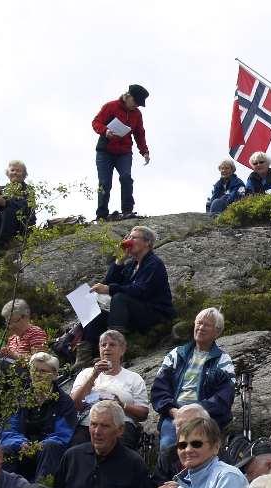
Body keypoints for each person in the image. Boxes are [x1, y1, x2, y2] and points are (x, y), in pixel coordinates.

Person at [80, 224, 176, 365]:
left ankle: (116, 352)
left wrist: (109, 289)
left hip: (155, 313)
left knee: (119, 298)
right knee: (88, 303)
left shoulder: (154, 263)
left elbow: (140, 291)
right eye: (128, 237)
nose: (129, 240)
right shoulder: (131, 265)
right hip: (130, 314)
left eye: (133, 237)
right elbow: (110, 282)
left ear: (147, 242)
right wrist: (120, 260)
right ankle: (84, 354)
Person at [151, 307, 235, 448]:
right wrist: (174, 411)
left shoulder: (223, 360)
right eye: (199, 323)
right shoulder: (176, 354)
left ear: (217, 332)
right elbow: (159, 388)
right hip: (174, 415)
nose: (201, 327)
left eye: (207, 325)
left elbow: (224, 398)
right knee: (168, 447)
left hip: (205, 418)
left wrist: (196, 412)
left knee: (198, 448)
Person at [0, 353, 76, 483]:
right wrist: (20, 443)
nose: (38, 374)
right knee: (5, 449)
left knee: (50, 447)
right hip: (23, 447)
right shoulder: (20, 398)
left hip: (48, 449)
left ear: (55, 375)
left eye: (43, 371)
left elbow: (63, 434)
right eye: (34, 370)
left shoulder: (64, 402)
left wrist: (39, 446)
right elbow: (9, 429)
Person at [70, 330, 149, 449]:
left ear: (122, 350)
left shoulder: (134, 378)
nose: (107, 348)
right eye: (103, 345)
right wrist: (94, 375)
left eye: (112, 344)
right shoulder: (86, 373)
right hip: (89, 423)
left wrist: (122, 405)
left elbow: (143, 413)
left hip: (120, 424)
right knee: (76, 451)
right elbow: (74, 404)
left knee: (120, 452)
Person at [91, 84, 150, 222]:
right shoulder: (110, 106)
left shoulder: (137, 114)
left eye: (139, 105)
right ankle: (101, 215)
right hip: (105, 151)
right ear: (128, 96)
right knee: (104, 183)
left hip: (124, 152)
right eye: (135, 102)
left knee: (126, 177)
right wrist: (105, 131)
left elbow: (139, 134)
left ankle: (127, 211)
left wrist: (144, 151)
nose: (136, 106)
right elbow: (96, 122)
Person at [0, 160, 36, 252]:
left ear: (24, 174)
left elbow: (25, 206)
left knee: (9, 210)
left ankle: (1, 246)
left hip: (22, 227)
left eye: (18, 171)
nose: (15, 173)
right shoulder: (4, 189)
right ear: (8, 173)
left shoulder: (29, 190)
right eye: (12, 170)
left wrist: (6, 203)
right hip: (4, 226)